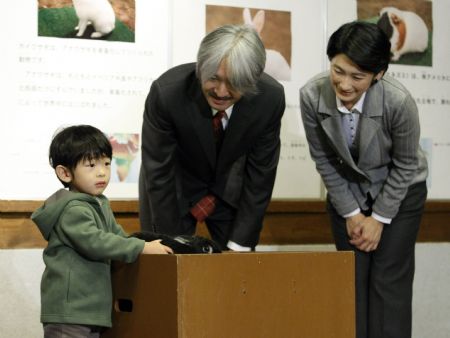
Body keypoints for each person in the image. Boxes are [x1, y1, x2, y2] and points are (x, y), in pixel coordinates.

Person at [300, 21, 428, 338]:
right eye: (338, 70)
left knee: (387, 282)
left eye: (357, 77)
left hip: (401, 190)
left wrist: (379, 218)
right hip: (348, 195)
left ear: (378, 74)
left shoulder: (398, 101)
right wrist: (352, 214)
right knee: (352, 280)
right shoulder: (311, 96)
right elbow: (324, 158)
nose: (344, 84)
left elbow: (406, 164)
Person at [138, 24, 285, 251]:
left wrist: (240, 245)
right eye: (213, 78)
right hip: (173, 184)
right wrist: (172, 246)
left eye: (235, 82)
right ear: (200, 67)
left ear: (253, 79)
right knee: (167, 265)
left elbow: (261, 175)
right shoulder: (167, 94)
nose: (222, 91)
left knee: (237, 271)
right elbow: (159, 171)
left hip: (229, 184)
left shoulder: (269, 100)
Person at [31, 125, 173, 338]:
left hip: (91, 311)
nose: (102, 172)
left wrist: (145, 245)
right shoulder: (73, 209)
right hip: (70, 313)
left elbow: (118, 237)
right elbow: (97, 242)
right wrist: (142, 247)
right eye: (91, 165)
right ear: (65, 173)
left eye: (106, 163)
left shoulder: (99, 204)